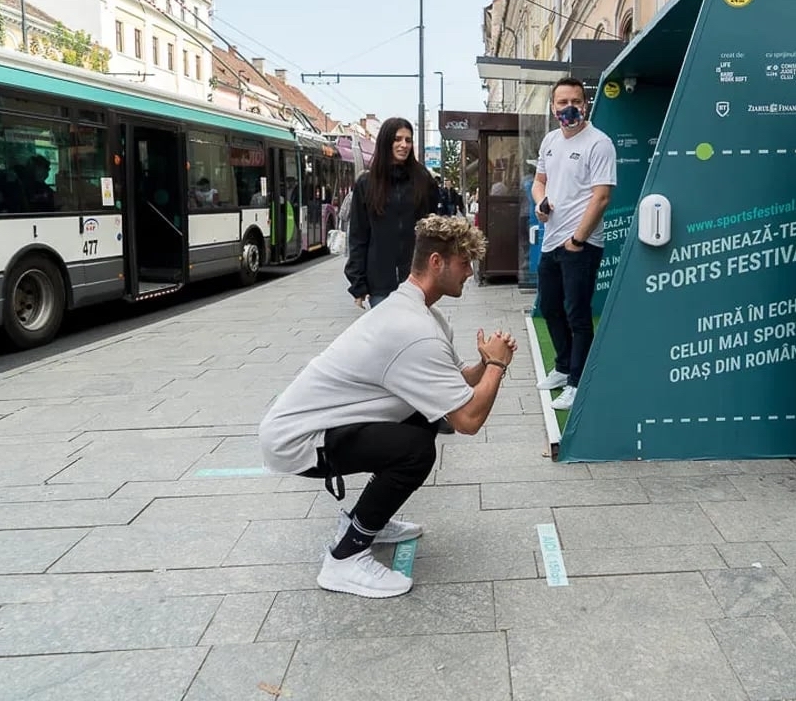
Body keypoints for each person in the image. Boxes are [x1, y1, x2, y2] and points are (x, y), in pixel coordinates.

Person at [258, 214, 515, 598]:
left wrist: (480, 365)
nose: (470, 272)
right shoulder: (413, 330)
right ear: (436, 263)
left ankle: (368, 521)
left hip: (321, 427)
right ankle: (346, 557)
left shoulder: (422, 313)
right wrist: (496, 366)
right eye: (465, 263)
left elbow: (450, 384)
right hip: (297, 441)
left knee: (425, 421)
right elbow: (467, 419)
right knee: (415, 450)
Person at [530, 76, 617, 410]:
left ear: (585, 104)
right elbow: (540, 181)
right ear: (553, 108)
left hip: (581, 244)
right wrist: (541, 202)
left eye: (575, 102)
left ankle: (578, 383)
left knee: (577, 314)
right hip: (551, 241)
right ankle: (564, 367)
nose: (569, 108)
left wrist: (578, 239)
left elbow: (602, 196)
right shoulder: (551, 141)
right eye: (562, 102)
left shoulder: (599, 143)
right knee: (550, 307)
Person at [345, 117, 439, 309]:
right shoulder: (367, 184)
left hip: (417, 280)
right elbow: (358, 236)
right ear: (386, 141)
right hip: (379, 282)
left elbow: (432, 231)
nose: (403, 145)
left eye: (408, 140)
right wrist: (358, 284)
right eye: (397, 139)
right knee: (386, 338)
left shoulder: (423, 180)